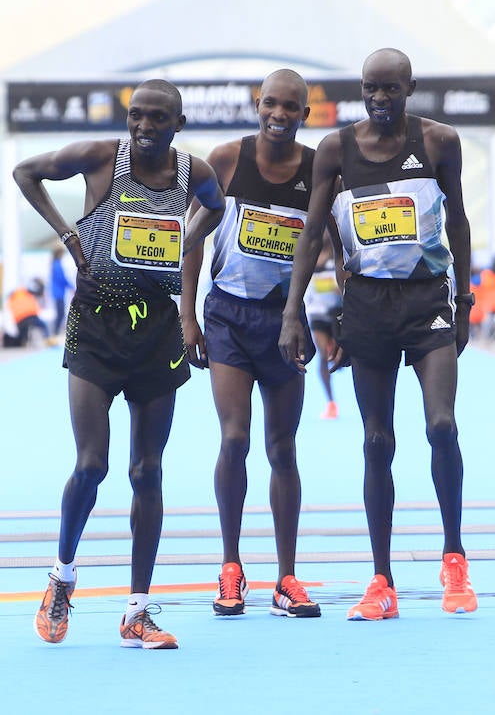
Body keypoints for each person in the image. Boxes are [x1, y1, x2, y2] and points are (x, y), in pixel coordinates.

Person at [13, 79, 225, 648]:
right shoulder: (100, 158)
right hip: (94, 326)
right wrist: (67, 234)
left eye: (158, 119)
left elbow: (217, 206)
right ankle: (62, 577)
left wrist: (185, 245)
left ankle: (138, 610)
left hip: (155, 330)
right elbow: (25, 173)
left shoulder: (192, 173)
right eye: (137, 117)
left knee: (146, 471)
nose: (145, 128)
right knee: (92, 464)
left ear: (178, 125)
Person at [279, 47, 478, 620]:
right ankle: (382, 579)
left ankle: (453, 556)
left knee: (441, 425)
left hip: (428, 301)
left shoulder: (439, 142)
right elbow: (312, 229)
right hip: (367, 308)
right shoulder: (335, 150)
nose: (380, 98)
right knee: (376, 441)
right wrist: (295, 311)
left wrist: (464, 301)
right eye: (371, 88)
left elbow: (459, 220)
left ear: (410, 88)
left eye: (391, 88)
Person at [180, 68, 321, 619]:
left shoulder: (316, 168)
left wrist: (322, 318)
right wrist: (187, 315)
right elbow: (192, 237)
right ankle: (232, 567)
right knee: (235, 436)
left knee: (282, 448)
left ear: (305, 115)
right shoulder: (227, 158)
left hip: (286, 321)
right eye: (271, 104)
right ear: (257, 104)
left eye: (291, 107)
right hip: (228, 319)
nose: (279, 115)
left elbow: (330, 243)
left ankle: (286, 577)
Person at [304, 230, 344, 420]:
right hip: (317, 313)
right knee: (323, 355)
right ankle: (330, 402)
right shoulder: (309, 255)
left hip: (338, 313)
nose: (325, 234)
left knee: (342, 356)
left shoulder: (339, 254)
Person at [6, 280, 50, 347]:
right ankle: (48, 339)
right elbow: (37, 292)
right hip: (31, 315)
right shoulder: (26, 291)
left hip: (19, 319)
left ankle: (24, 340)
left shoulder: (13, 297)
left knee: (23, 333)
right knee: (44, 326)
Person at [49, 244, 74, 336]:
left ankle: (54, 332)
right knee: (60, 314)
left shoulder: (54, 264)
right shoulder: (57, 265)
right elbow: (62, 279)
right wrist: (71, 287)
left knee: (60, 313)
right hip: (58, 293)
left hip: (58, 293)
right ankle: (54, 333)